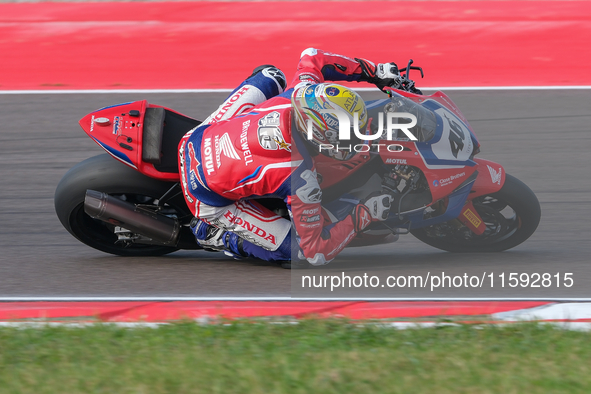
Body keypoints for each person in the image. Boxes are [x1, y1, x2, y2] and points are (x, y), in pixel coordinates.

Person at [178, 48, 400, 267]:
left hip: (197, 137)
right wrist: (365, 214)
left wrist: (375, 72)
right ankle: (217, 235)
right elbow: (316, 252)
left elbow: (312, 56)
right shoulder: (300, 176)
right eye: (345, 135)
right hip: (203, 194)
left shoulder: (301, 91)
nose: (354, 139)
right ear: (320, 135)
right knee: (297, 253)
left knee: (271, 75)